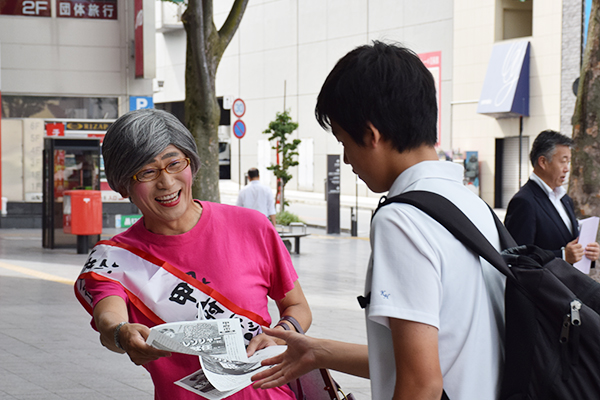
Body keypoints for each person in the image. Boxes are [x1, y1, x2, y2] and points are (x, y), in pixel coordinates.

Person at [250, 41, 505, 400]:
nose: (347, 159)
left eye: (343, 140)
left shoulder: (402, 219)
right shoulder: (470, 204)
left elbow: (422, 383)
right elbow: (441, 357)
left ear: (371, 135)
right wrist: (318, 352)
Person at [74, 108, 312, 400]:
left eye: (174, 163)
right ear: (124, 185)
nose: (166, 182)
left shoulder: (252, 226)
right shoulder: (115, 258)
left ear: (191, 164)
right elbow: (109, 320)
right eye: (147, 172)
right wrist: (123, 334)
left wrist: (281, 331)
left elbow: (298, 306)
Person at [504, 130, 600, 264]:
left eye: (569, 162)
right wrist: (562, 256)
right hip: (545, 285)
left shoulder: (565, 199)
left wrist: (587, 252)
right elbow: (516, 258)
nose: (567, 168)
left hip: (571, 283)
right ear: (543, 162)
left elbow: (570, 244)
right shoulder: (524, 202)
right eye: (563, 161)